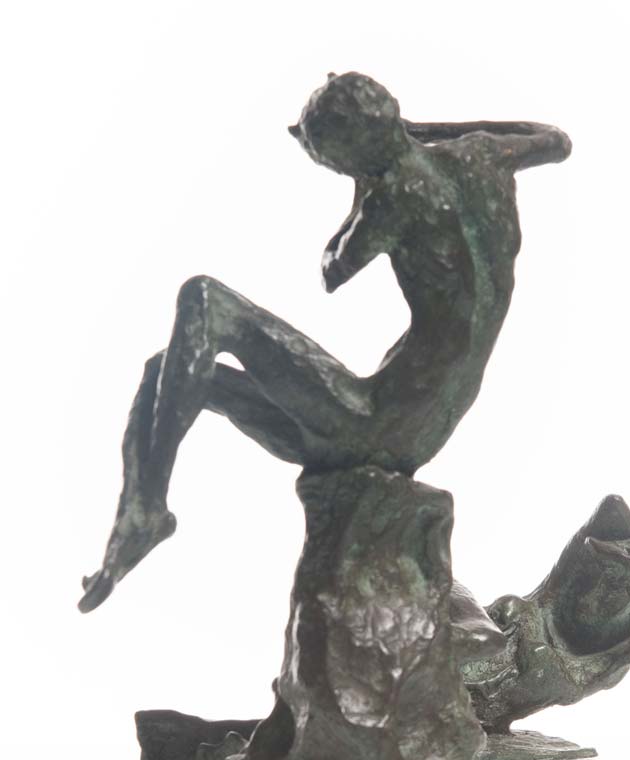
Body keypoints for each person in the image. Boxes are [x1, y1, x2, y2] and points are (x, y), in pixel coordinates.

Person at [79, 72, 571, 613]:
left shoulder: (391, 198)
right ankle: (145, 509)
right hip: (422, 424)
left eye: (329, 161)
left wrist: (364, 187)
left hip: (377, 422)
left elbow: (335, 267)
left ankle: (147, 510)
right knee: (167, 370)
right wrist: (425, 132)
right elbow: (555, 139)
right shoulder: (483, 155)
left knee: (204, 300)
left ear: (347, 154)